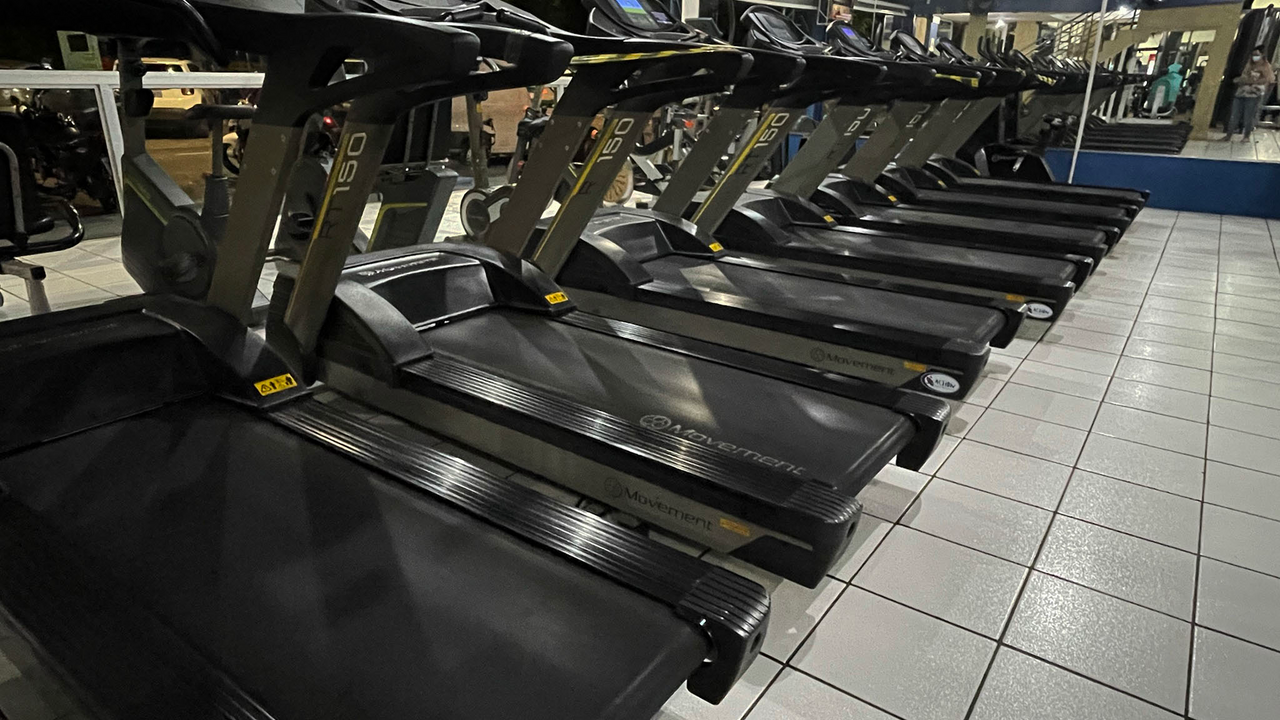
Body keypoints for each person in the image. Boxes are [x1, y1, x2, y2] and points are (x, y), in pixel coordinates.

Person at [1224, 45, 1276, 142]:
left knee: (1248, 116)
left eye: (1257, 55)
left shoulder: (1266, 67)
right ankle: (1228, 135)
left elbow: (1268, 79)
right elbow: (1243, 77)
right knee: (1234, 115)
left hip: (1254, 95)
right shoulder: (1249, 64)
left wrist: (1251, 81)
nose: (1254, 57)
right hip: (1241, 92)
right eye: (1253, 55)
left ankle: (1246, 136)